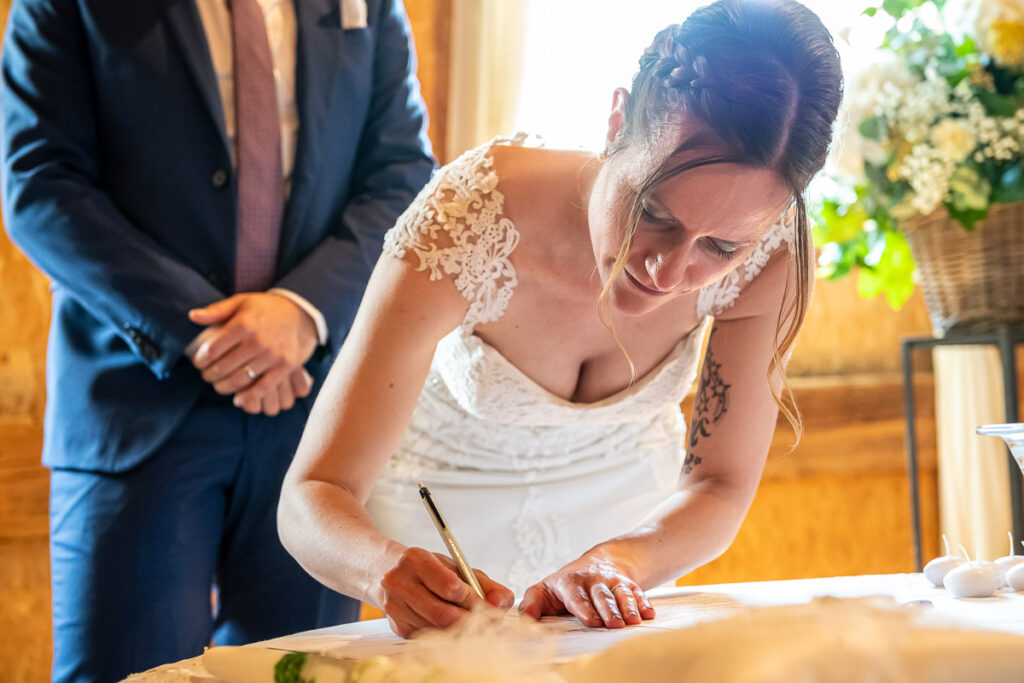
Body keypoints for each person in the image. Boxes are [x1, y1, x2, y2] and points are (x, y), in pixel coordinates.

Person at [278, 0, 842, 639]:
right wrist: (381, 568)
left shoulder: (774, 256)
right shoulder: (470, 218)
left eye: (721, 248)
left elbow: (720, 485)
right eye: (654, 211)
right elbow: (311, 495)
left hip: (636, 529)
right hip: (442, 523)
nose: (665, 270)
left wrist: (620, 558)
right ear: (616, 120)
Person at [0, 0, 433, 680]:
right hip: (136, 404)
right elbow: (39, 184)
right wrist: (205, 331)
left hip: (316, 421)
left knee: (306, 671)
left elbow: (402, 175)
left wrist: (300, 311)